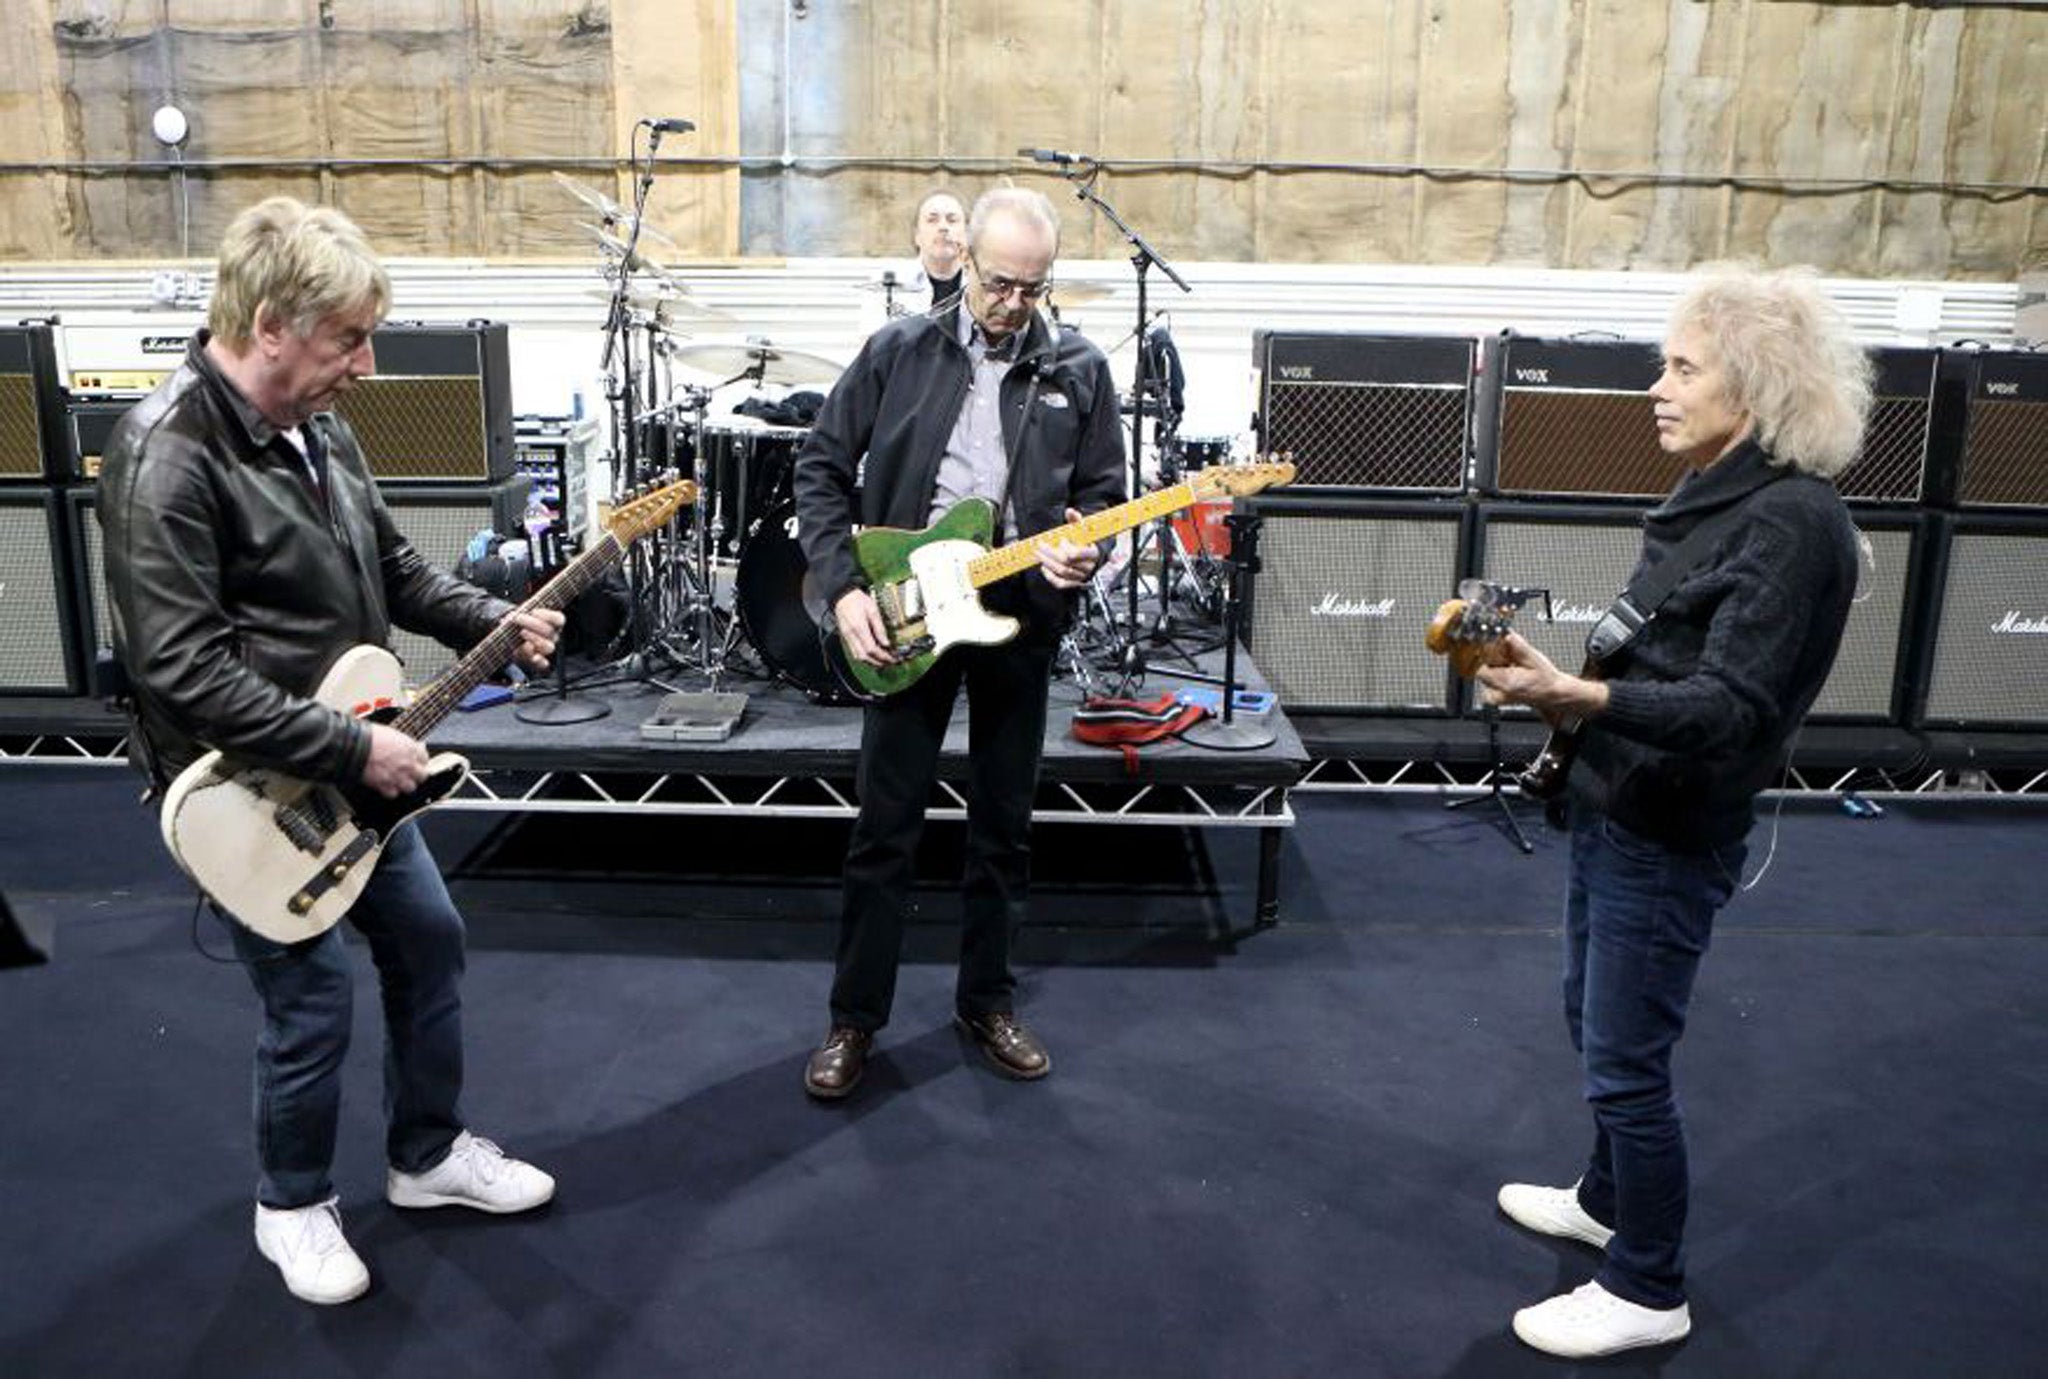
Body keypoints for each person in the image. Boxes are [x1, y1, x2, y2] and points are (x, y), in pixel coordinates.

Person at [97, 197, 564, 1306]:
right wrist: (353, 751)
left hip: (349, 761)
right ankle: (292, 1205)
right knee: (309, 1000)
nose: (366, 364)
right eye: (348, 338)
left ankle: (426, 1154)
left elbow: (389, 568)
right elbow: (184, 674)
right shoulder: (164, 456)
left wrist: (490, 622)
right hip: (242, 792)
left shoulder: (319, 424)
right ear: (269, 325)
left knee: (429, 943)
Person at [1475, 263, 1872, 1358]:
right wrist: (1570, 688)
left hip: (1668, 832)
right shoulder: (1724, 498)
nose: (1656, 387)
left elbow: (1733, 708)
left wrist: (1577, 695)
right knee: (1592, 1022)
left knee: (1624, 1061)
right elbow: (1669, 663)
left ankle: (1648, 1281)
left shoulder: (1788, 523)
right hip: (1619, 806)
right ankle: (1606, 1201)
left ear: (1754, 390)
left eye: (1683, 368)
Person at [792, 186, 1126, 1099]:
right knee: (884, 827)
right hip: (908, 608)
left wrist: (1085, 549)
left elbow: (1102, 494)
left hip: (1020, 611)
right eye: (999, 283)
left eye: (1032, 287)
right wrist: (844, 587)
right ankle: (854, 1019)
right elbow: (820, 466)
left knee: (1004, 827)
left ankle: (987, 1002)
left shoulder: (1080, 368)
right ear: (964, 261)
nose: (1013, 304)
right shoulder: (899, 349)